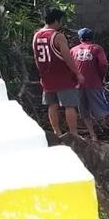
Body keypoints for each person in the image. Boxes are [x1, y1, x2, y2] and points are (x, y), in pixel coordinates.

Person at [33, 8, 85, 137]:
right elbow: (67, 57)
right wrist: (77, 73)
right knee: (69, 105)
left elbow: (36, 57)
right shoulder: (58, 36)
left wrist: (41, 74)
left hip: (46, 76)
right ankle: (73, 134)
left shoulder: (36, 35)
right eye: (60, 21)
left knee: (52, 105)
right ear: (56, 21)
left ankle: (57, 132)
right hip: (62, 76)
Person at [70, 28, 109, 144]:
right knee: (106, 109)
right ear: (92, 37)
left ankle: (93, 136)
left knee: (84, 111)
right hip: (94, 84)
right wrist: (101, 76)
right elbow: (104, 64)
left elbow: (69, 66)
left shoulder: (73, 50)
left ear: (80, 39)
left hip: (78, 85)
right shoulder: (97, 48)